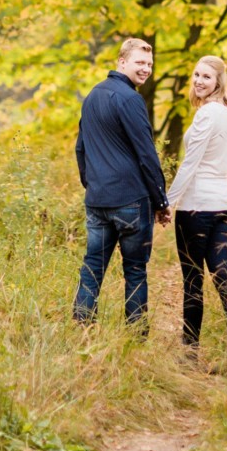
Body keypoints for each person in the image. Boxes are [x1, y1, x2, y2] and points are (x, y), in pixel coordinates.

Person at [73, 37, 171, 331]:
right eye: (140, 62)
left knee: (92, 267)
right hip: (130, 201)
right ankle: (136, 336)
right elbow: (146, 154)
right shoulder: (130, 99)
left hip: (98, 199)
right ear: (122, 62)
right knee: (136, 270)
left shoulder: (92, 96)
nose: (146, 69)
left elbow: (81, 149)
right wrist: (161, 201)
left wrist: (92, 184)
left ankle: (82, 328)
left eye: (150, 64)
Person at [167, 55, 227, 350]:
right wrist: (226, 192)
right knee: (222, 268)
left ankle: (190, 350)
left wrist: (168, 203)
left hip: (196, 207)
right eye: (196, 75)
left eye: (206, 77)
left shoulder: (207, 114)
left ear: (218, 83)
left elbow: (190, 163)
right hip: (224, 204)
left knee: (193, 279)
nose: (199, 81)